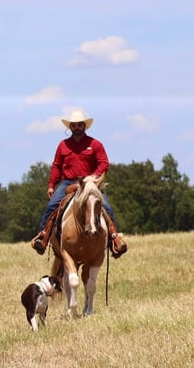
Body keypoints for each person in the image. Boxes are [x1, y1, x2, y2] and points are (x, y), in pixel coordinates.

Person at [30, 109, 128, 258]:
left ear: (84, 126)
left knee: (106, 206)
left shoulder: (95, 144)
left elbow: (104, 163)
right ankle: (43, 237)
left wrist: (93, 178)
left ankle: (114, 239)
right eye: (74, 125)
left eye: (79, 125)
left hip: (90, 182)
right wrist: (51, 185)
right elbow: (56, 165)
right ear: (70, 127)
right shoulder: (63, 145)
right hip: (68, 182)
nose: (76, 127)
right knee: (52, 205)